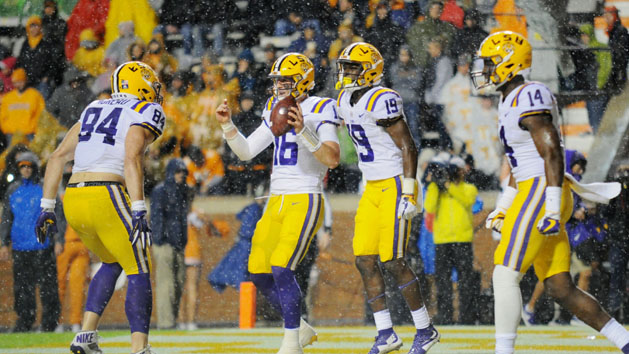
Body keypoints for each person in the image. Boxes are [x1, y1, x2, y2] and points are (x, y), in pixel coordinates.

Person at [471, 31, 629, 354]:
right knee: (560, 287)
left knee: (504, 275)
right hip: (537, 188)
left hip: (543, 191)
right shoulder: (510, 100)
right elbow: (522, 163)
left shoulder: (527, 95)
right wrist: (504, 204)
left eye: (489, 64)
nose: (483, 71)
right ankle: (625, 341)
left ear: (508, 64)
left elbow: (551, 152)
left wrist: (553, 208)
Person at [215, 52, 341, 354]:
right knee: (258, 270)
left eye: (286, 80)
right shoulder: (274, 106)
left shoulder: (322, 106)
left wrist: (303, 131)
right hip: (276, 199)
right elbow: (246, 151)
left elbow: (332, 159)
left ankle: (291, 342)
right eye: (278, 81)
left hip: (305, 196)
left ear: (303, 81)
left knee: (282, 267)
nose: (280, 86)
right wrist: (228, 126)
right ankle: (301, 327)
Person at [35, 61, 165, 354]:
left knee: (112, 261)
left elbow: (57, 157)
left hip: (75, 198)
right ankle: (139, 348)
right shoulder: (146, 110)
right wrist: (139, 208)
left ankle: (85, 335)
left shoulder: (94, 107)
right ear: (141, 85)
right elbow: (132, 157)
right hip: (107, 192)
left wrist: (47, 207)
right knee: (139, 267)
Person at [335, 42, 440, 354]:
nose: (347, 72)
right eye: (346, 66)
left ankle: (425, 328)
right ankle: (386, 333)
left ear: (370, 69)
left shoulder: (383, 99)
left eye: (353, 67)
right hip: (371, 185)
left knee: (393, 260)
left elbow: (408, 145)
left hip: (395, 182)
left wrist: (409, 191)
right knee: (364, 259)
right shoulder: (343, 98)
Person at [0, 151, 65, 332]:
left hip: (43, 246)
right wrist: (3, 243)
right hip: (20, 247)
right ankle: (25, 321)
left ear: (34, 168)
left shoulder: (45, 188)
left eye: (29, 166)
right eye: (23, 167)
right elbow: (6, 218)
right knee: (22, 289)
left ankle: (50, 324)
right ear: (18, 169)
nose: (26, 170)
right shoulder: (13, 190)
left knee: (48, 288)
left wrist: (59, 239)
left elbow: (57, 215)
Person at [423, 155, 478, 325]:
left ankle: (466, 318)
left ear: (462, 171)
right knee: (442, 281)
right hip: (442, 240)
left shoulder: (469, 188)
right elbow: (429, 207)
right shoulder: (438, 190)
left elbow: (467, 200)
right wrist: (434, 185)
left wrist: (448, 185)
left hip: (462, 239)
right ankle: (445, 316)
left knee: (465, 280)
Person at [150, 158, 192, 329]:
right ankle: (166, 323)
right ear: (171, 173)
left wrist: (181, 241)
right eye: (178, 171)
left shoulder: (183, 192)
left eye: (184, 172)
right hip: (165, 243)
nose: (182, 175)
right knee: (166, 283)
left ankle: (171, 320)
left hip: (178, 244)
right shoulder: (160, 191)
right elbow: (157, 217)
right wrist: (160, 239)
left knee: (178, 283)